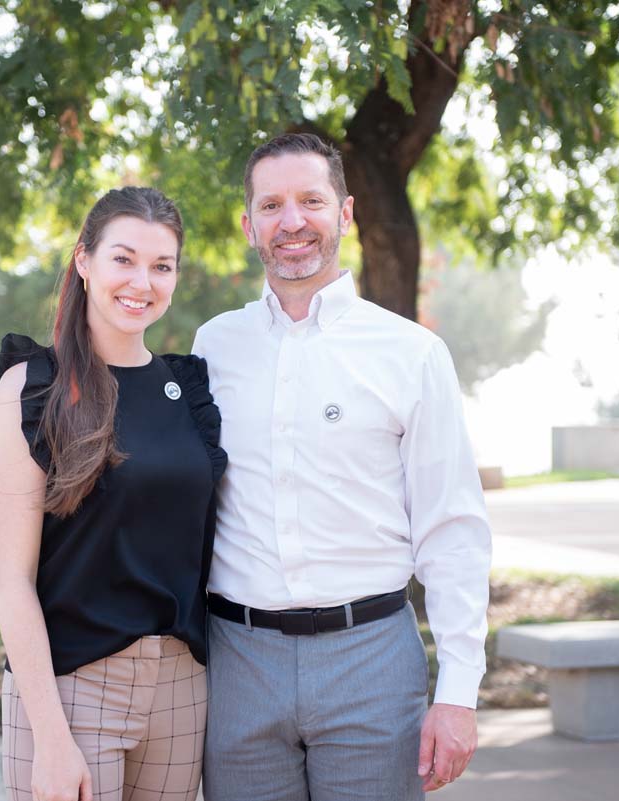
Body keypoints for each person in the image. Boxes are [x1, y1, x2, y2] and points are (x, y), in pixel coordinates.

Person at [192, 133, 491, 800]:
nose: (291, 221)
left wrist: (459, 693)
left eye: (310, 201)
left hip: (372, 660)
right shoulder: (213, 347)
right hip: (239, 659)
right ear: (248, 226)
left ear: (346, 213)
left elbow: (453, 530)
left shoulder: (412, 353)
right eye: (271, 205)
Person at [0, 186, 226, 801]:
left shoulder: (187, 391)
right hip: (69, 687)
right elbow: (11, 581)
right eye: (123, 258)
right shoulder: (32, 387)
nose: (142, 280)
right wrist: (51, 737)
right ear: (84, 261)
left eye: (161, 265)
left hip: (181, 690)